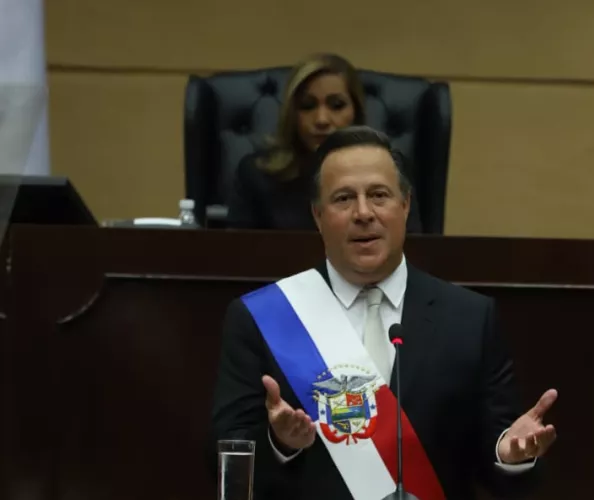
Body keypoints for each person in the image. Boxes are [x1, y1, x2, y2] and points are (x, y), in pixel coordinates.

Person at [211, 126, 557, 499]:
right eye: (344, 198)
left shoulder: (470, 318)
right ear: (317, 214)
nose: (363, 213)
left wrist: (511, 456)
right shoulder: (264, 317)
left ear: (405, 205)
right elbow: (224, 460)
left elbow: (500, 460)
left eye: (379, 195)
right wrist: (280, 443)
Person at [226, 53, 424, 233]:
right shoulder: (256, 175)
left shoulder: (392, 170)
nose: (321, 119)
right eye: (307, 106)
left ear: (356, 112)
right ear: (292, 115)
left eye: (336, 105)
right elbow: (238, 254)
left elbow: (414, 249)